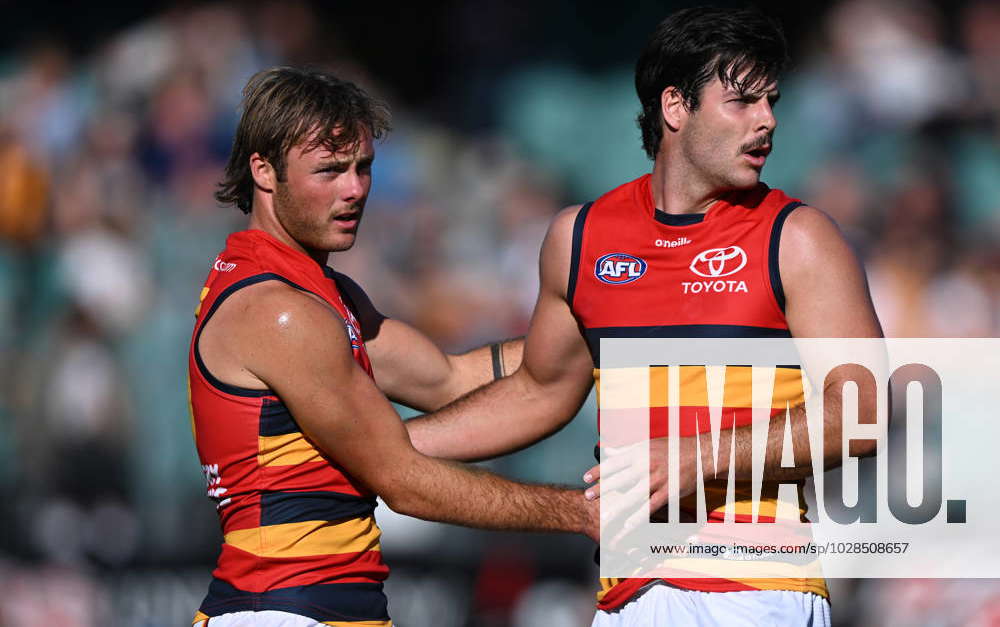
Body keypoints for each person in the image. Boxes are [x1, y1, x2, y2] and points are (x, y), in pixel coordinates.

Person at [406, 7, 882, 626]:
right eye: (741, 102)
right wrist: (384, 446)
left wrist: (698, 458)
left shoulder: (798, 236)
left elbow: (864, 414)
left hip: (754, 592)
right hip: (625, 595)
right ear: (675, 108)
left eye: (772, 101)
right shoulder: (580, 236)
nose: (767, 121)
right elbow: (540, 391)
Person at [187, 67, 597, 627]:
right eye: (329, 171)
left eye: (362, 168)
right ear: (263, 171)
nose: (354, 189)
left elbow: (449, 380)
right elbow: (402, 481)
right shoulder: (279, 311)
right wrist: (582, 511)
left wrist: (601, 334)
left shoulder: (324, 295)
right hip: (281, 610)